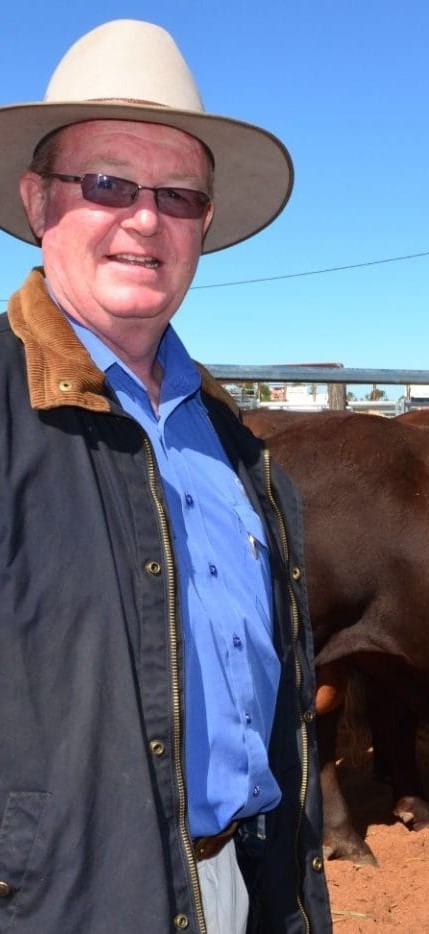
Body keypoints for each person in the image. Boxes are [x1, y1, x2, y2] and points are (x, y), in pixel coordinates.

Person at [0, 20, 331, 933]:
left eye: (178, 194)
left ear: (205, 224)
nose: (145, 218)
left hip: (237, 881)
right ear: (38, 201)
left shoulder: (236, 445)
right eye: (105, 182)